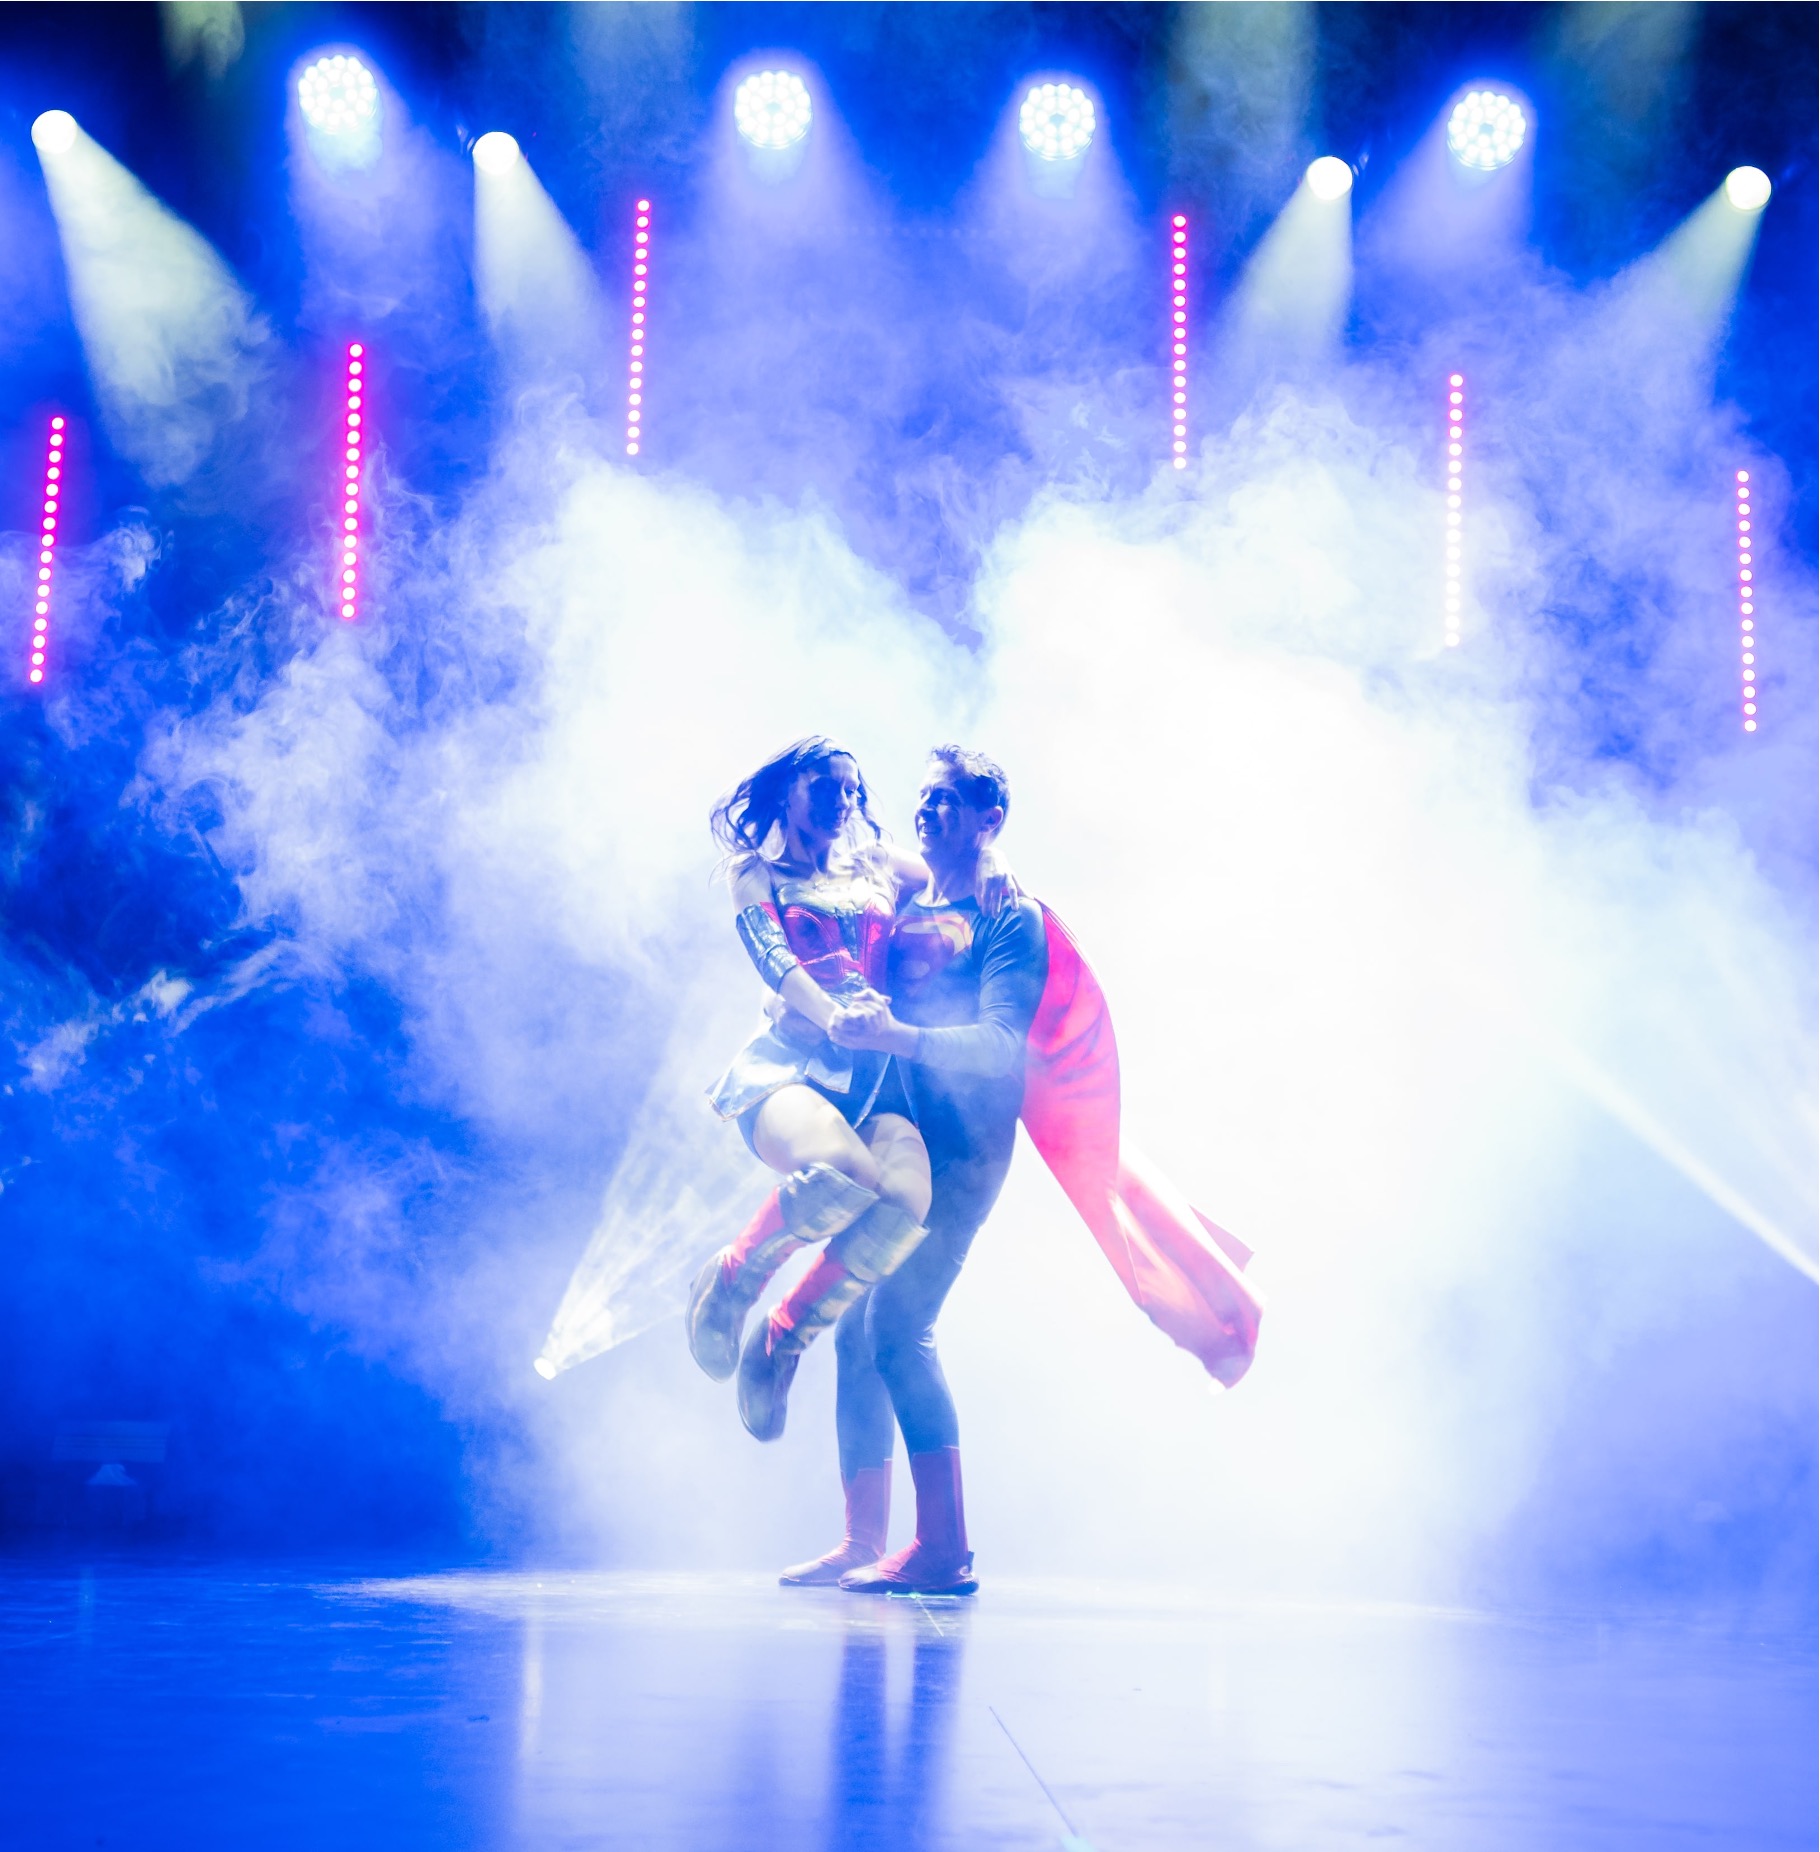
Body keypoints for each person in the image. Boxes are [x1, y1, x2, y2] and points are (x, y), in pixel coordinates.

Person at [687, 738, 1011, 1450]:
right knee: (844, 1173)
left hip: (874, 1081)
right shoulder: (755, 872)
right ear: (788, 791)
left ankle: (781, 1342)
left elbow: (955, 874)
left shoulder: (877, 864)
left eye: (852, 790)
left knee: (904, 1204)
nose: (843, 802)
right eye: (827, 787)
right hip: (792, 1068)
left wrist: (994, 862)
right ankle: (733, 1278)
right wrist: (831, 1014)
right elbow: (773, 958)